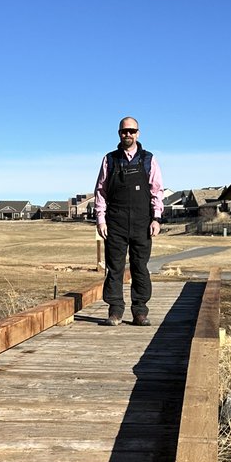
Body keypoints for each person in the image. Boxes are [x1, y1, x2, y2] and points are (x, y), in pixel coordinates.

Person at [93, 117, 165, 326]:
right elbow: (101, 191)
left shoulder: (148, 159)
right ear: (119, 134)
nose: (128, 134)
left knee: (140, 267)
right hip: (115, 223)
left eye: (132, 131)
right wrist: (101, 220)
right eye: (124, 131)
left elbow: (157, 191)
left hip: (142, 222)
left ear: (138, 133)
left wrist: (156, 219)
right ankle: (115, 311)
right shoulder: (110, 160)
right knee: (114, 268)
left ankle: (140, 311)